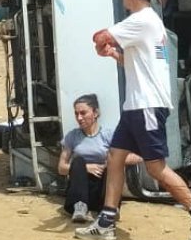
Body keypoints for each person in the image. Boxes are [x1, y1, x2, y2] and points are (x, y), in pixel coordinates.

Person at [76, 0, 191, 240]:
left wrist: (102, 45)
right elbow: (138, 63)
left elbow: (99, 37)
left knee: (156, 168)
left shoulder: (140, 19)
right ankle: (106, 222)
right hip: (138, 106)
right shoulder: (150, 22)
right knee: (115, 157)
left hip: (146, 107)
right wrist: (114, 54)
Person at [58, 94, 142, 223]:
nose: (79, 118)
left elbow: (137, 157)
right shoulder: (72, 136)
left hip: (102, 187)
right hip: (80, 188)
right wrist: (86, 168)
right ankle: (80, 207)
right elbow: (61, 168)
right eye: (76, 114)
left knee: (112, 162)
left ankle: (109, 208)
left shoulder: (109, 135)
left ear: (95, 113)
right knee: (78, 161)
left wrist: (110, 161)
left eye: (83, 113)